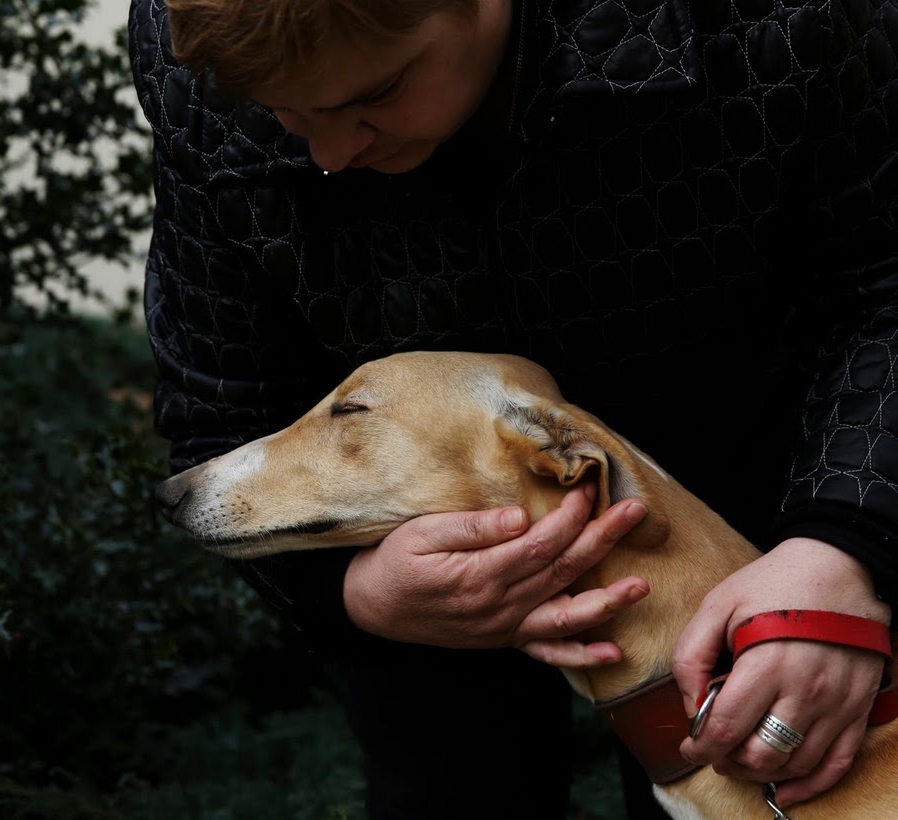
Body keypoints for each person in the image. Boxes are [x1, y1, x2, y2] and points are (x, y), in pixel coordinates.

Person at [127, 0, 896, 817]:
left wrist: (851, 541)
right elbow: (221, 402)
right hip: (398, 567)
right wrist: (349, 595)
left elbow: (883, 283)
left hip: (785, 492)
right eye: (283, 114)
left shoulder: (776, 16)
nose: (328, 152)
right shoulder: (196, 45)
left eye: (377, 92)